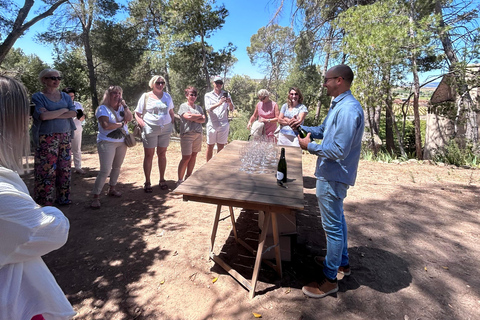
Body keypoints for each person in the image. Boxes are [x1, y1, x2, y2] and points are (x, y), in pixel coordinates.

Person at [0, 75, 76, 320]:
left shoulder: (63, 97)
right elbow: (50, 230)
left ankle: (60, 198)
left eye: (58, 78)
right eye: (24, 111)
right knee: (46, 174)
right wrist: (46, 212)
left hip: (62, 138)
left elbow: (72, 114)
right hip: (13, 303)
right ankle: (47, 202)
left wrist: (60, 112)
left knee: (64, 172)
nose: (27, 118)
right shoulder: (4, 193)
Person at [290, 65, 365, 298]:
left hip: (334, 176)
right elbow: (324, 130)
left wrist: (308, 146)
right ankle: (341, 262)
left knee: (331, 228)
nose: (324, 84)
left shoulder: (348, 110)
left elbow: (339, 150)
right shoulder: (339, 105)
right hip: (333, 174)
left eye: (327, 80)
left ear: (339, 80)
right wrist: (300, 128)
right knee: (338, 220)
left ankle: (330, 279)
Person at [31, 68, 77, 206]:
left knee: (64, 168)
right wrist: (64, 110)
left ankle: (63, 198)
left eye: (58, 78)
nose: (57, 80)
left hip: (65, 135)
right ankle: (44, 202)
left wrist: (53, 113)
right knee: (46, 169)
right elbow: (42, 116)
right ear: (44, 80)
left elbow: (74, 113)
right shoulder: (37, 97)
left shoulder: (66, 96)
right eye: (53, 78)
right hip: (46, 138)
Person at [90, 86, 133, 209]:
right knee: (105, 170)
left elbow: (129, 118)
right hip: (106, 142)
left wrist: (124, 105)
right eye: (114, 93)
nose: (117, 95)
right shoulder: (102, 109)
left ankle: (112, 188)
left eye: (119, 93)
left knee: (117, 167)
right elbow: (106, 125)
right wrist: (121, 124)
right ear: (108, 95)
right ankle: (96, 196)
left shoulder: (121, 107)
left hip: (122, 141)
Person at [134, 75, 175, 192]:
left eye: (162, 83)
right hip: (150, 128)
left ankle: (162, 180)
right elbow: (137, 113)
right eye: (158, 83)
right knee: (149, 155)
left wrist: (171, 122)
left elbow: (171, 111)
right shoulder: (145, 96)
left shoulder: (167, 96)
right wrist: (142, 124)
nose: (160, 85)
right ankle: (147, 182)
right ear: (153, 84)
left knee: (162, 154)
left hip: (165, 129)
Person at [176, 86, 205, 187]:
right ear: (187, 95)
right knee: (186, 157)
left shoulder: (199, 108)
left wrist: (193, 117)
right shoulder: (183, 106)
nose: (193, 96)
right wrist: (199, 116)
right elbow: (186, 116)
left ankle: (188, 177)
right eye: (191, 94)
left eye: (195, 95)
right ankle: (179, 181)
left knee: (194, 156)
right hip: (187, 134)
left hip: (198, 134)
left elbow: (204, 119)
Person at [204, 75, 235, 161]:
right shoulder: (208, 95)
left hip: (223, 124)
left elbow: (232, 109)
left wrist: (229, 103)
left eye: (220, 83)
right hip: (212, 125)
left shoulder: (226, 94)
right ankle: (208, 166)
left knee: (221, 146)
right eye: (217, 82)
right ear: (213, 83)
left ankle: (218, 166)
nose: (218, 84)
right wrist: (219, 103)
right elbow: (208, 108)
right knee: (210, 146)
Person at [62, 87, 86, 174]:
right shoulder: (60, 105)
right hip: (64, 129)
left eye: (73, 96)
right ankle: (65, 168)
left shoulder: (78, 104)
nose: (71, 98)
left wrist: (81, 116)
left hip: (77, 129)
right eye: (69, 96)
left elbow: (82, 119)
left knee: (77, 149)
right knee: (65, 150)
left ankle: (78, 167)